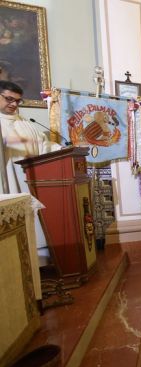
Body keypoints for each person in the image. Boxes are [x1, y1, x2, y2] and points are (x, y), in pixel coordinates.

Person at [1, 80, 62, 261]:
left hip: (31, 182)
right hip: (8, 182)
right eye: (9, 99)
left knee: (35, 226)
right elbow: (9, 141)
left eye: (18, 101)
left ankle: (39, 264)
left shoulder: (25, 122)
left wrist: (62, 149)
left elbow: (43, 145)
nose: (14, 104)